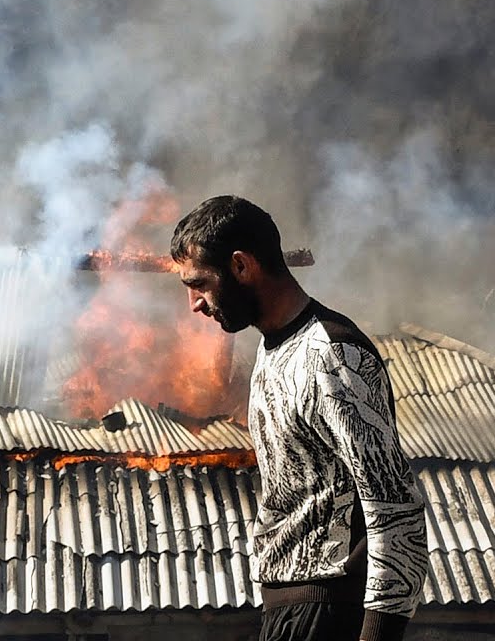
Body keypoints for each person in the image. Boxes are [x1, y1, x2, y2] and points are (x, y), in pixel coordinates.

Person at [170, 196, 428, 641]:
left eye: (200, 284)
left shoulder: (333, 355)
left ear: (241, 266)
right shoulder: (273, 352)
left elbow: (396, 509)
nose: (194, 303)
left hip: (329, 612)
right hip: (288, 613)